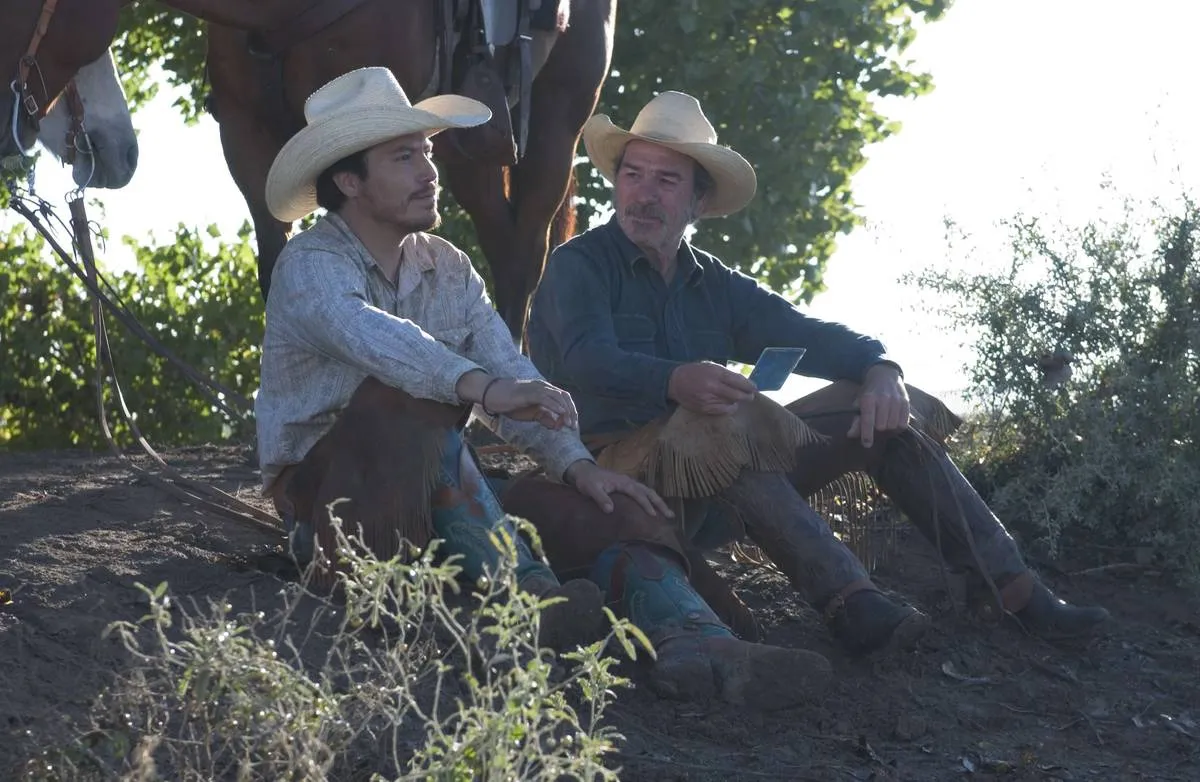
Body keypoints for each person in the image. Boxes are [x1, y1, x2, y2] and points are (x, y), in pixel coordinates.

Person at [254, 68, 830, 708]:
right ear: (349, 182)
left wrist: (579, 467)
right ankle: (525, 596)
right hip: (337, 506)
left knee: (615, 509)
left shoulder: (447, 267)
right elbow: (372, 338)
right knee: (409, 401)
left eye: (427, 152)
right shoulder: (310, 264)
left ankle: (701, 644)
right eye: (404, 157)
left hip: (450, 490)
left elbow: (516, 379)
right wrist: (476, 387)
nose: (430, 170)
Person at [525, 90, 1111, 656]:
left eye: (666, 180)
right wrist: (674, 380)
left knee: (874, 409)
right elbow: (585, 361)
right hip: (614, 473)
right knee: (723, 423)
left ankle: (1010, 589)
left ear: (698, 202)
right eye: (633, 174)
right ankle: (851, 605)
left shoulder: (717, 282)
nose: (643, 194)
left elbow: (811, 335)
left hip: (719, 475)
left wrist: (882, 367)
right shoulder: (578, 264)